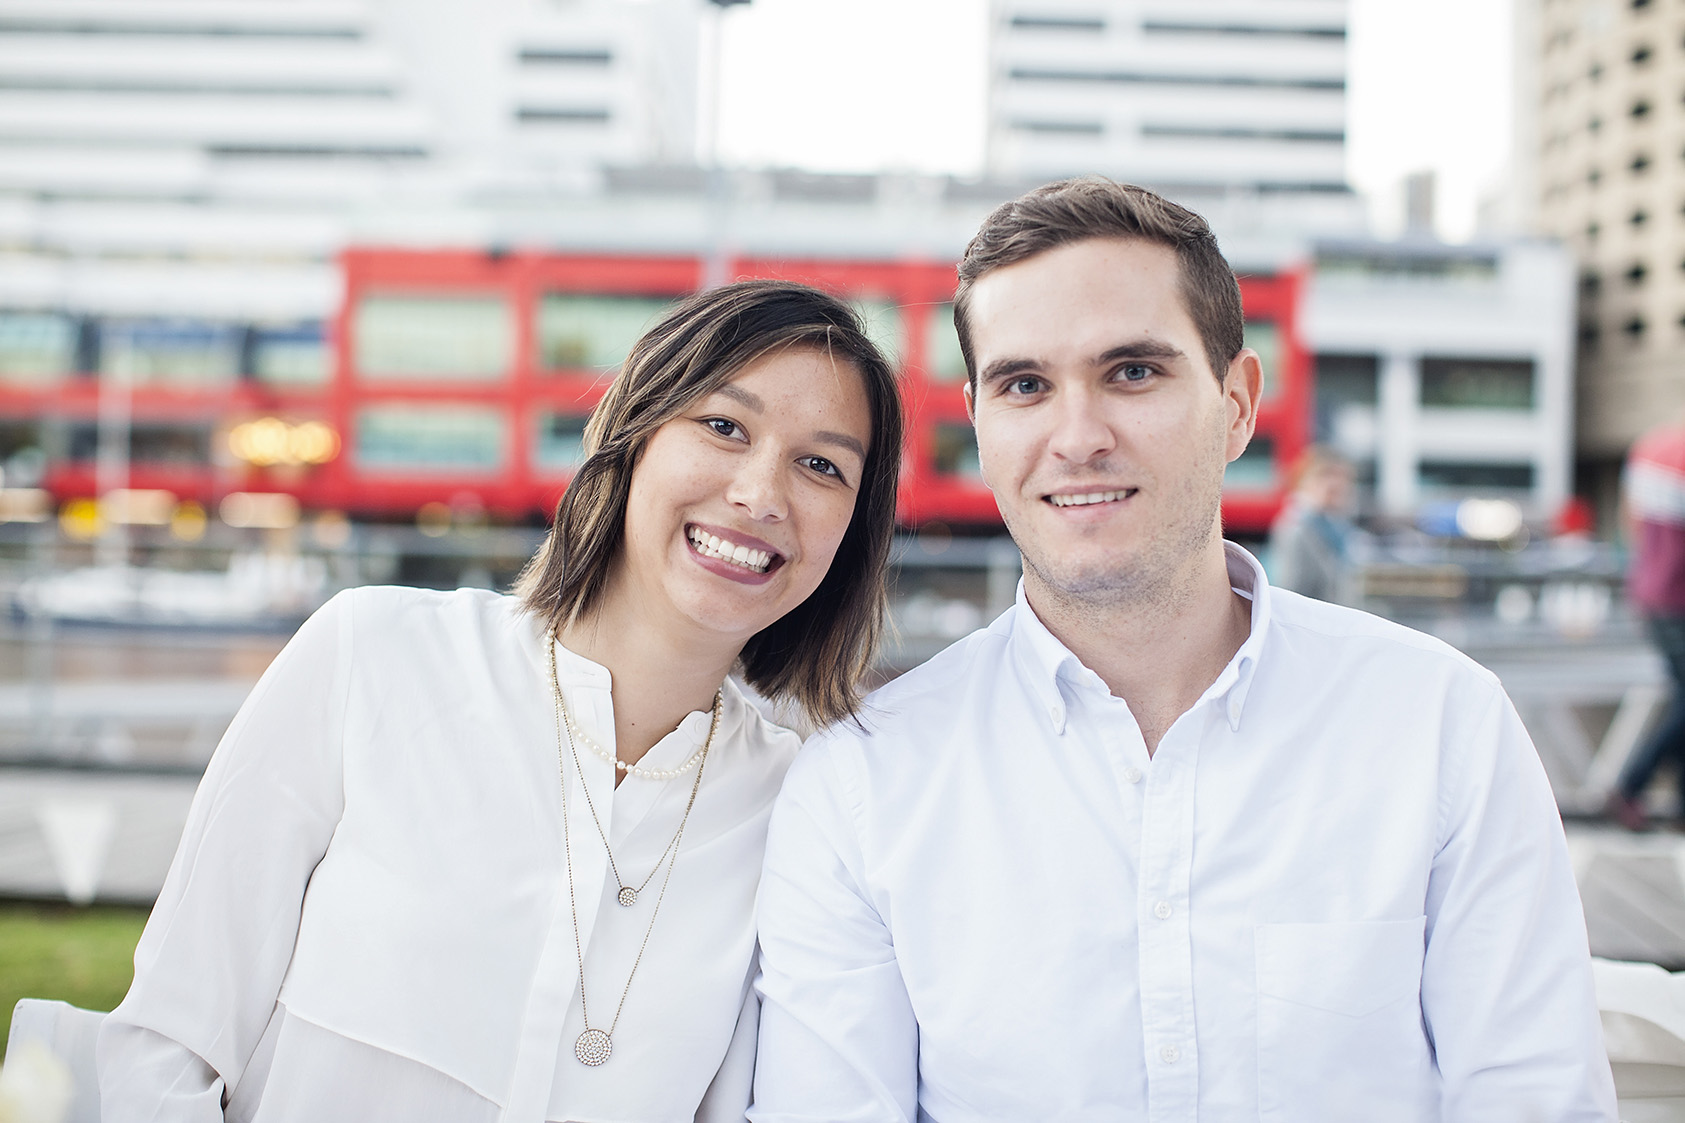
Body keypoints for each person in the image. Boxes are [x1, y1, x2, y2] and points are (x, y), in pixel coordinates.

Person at [751, 179, 1616, 1120]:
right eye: (1025, 385)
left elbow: (1535, 1097)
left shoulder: (1442, 725)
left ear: (1237, 404)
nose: (1076, 437)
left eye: (1132, 372)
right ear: (980, 421)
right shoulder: (862, 784)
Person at [96, 279, 904, 1122]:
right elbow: (165, 1044)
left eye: (822, 465)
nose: (760, 493)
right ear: (633, 435)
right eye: (723, 426)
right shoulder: (375, 654)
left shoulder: (799, 804)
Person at [1608, 418, 1685, 830]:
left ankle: (1676, 802)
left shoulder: (1651, 448)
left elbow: (1629, 522)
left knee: (1683, 699)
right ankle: (1630, 785)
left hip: (1652, 590)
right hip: (1678, 595)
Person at [1267, 444, 1357, 602]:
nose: (1337, 483)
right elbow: (1290, 591)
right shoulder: (1297, 527)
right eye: (1326, 474)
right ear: (1303, 480)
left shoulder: (1334, 525)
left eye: (1344, 477)